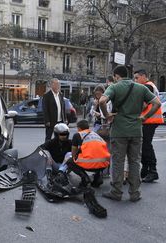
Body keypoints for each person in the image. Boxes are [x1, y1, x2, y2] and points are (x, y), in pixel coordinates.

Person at [99, 65, 161, 202]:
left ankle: (116, 192)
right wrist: (145, 117)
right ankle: (135, 193)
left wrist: (107, 115)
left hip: (119, 131)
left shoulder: (114, 87)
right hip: (136, 130)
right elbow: (157, 103)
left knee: (118, 162)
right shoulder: (141, 87)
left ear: (116, 76)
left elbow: (102, 101)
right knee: (134, 162)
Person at [134, 69, 164, 183]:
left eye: (137, 78)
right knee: (144, 145)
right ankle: (146, 169)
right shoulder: (150, 85)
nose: (135, 80)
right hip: (149, 120)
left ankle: (152, 171)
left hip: (149, 120)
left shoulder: (146, 87)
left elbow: (143, 105)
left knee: (145, 145)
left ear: (143, 76)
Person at [70, 120, 110, 188]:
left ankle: (84, 178)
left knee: (70, 161)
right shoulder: (96, 134)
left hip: (89, 164)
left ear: (79, 128)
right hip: (104, 164)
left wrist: (75, 157)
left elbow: (74, 152)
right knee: (96, 156)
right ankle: (97, 177)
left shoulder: (77, 135)